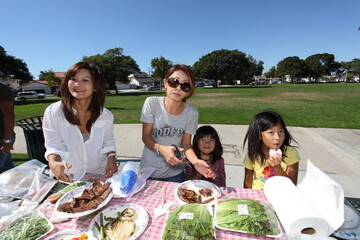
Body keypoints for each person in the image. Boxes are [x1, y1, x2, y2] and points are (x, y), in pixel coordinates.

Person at [140, 64, 216, 182]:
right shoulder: (152, 103)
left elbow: (186, 144)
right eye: (173, 82)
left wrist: (195, 162)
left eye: (185, 85)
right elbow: (146, 136)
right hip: (149, 172)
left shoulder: (191, 112)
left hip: (176, 174)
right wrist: (161, 149)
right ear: (165, 83)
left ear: (189, 90)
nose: (178, 88)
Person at [43, 62, 117, 182]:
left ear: (95, 87)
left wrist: (112, 159)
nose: (78, 84)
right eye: (73, 79)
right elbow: (53, 145)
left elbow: (108, 142)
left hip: (99, 173)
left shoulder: (106, 115)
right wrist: (54, 162)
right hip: (68, 174)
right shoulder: (54, 111)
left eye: (85, 80)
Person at [243, 110, 300, 189]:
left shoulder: (290, 153)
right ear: (259, 135)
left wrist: (278, 168)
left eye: (280, 131)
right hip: (258, 197)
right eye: (271, 132)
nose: (277, 137)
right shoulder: (252, 156)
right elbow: (247, 181)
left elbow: (292, 185)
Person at [0, 83, 16, 173]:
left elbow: (9, 115)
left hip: (2, 138)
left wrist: (7, 140)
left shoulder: (2, 90)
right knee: (7, 172)